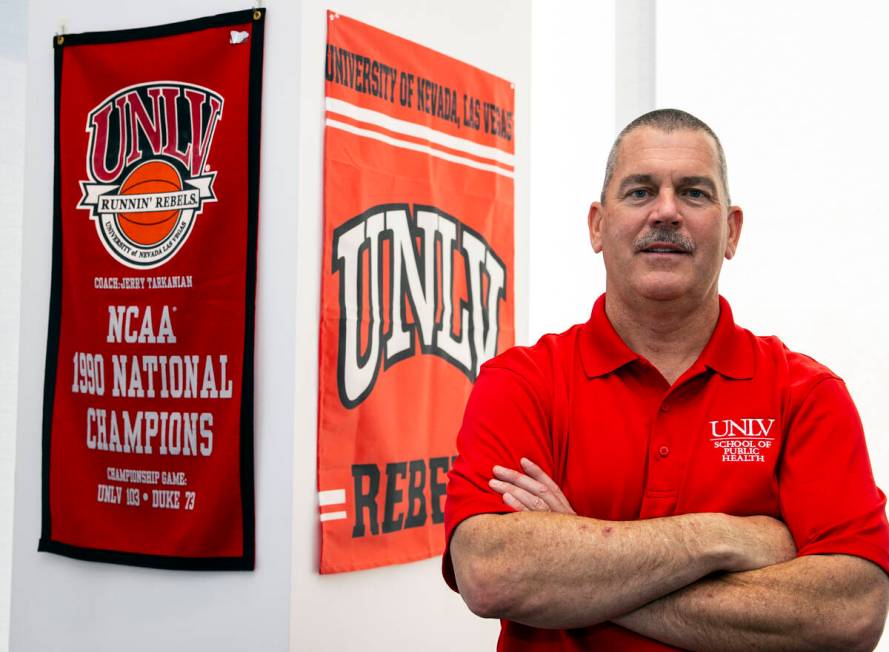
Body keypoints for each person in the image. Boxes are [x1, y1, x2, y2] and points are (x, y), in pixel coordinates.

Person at [443, 109, 889, 651]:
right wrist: (727, 537)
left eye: (696, 193)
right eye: (639, 192)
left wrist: (580, 562)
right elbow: (493, 573)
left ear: (732, 230)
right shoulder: (521, 382)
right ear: (597, 226)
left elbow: (852, 611)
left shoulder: (807, 395)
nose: (667, 212)